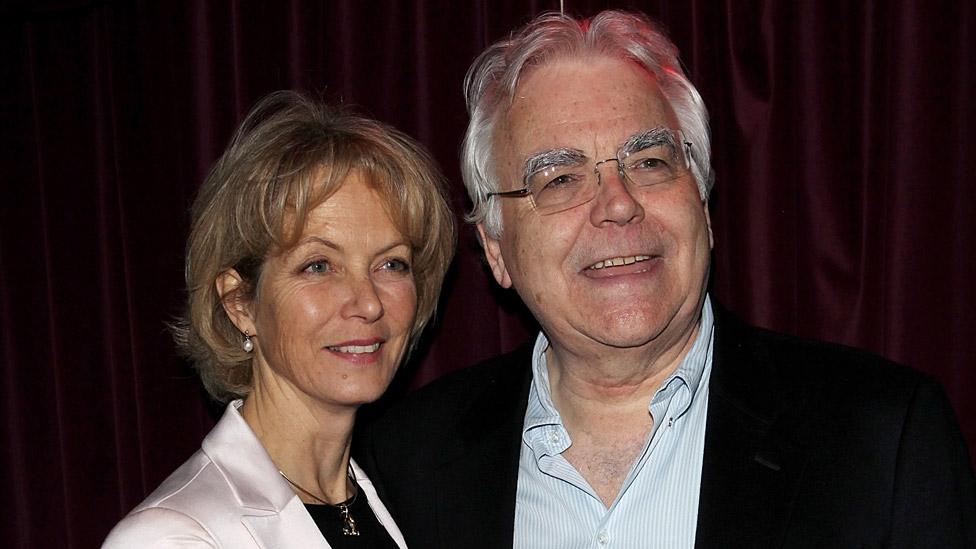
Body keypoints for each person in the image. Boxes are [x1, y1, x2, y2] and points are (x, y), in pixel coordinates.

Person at [357, 10, 976, 548]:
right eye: (561, 179)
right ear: (495, 248)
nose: (618, 204)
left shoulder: (882, 439)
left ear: (703, 207)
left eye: (649, 162)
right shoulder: (408, 464)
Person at [103, 91, 455, 548]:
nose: (368, 303)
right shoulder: (171, 536)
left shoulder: (392, 505)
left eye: (391, 264)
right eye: (318, 266)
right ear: (240, 303)